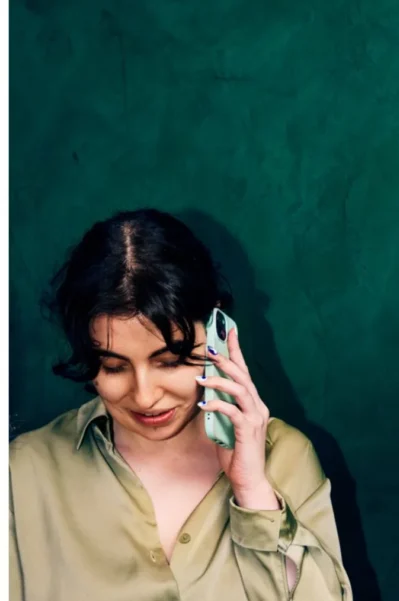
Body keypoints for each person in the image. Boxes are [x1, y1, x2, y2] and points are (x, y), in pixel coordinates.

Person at [9, 209, 352, 600]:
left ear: (218, 330)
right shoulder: (23, 473)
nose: (145, 395)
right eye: (114, 366)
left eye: (169, 362)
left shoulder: (286, 458)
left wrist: (254, 495)